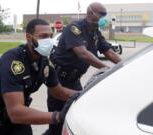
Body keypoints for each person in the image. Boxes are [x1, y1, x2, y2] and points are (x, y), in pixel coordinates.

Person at [0, 18, 79, 135]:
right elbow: (15, 112)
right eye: (43, 36)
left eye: (50, 36)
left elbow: (58, 91)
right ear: (29, 37)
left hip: (21, 116)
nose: (49, 41)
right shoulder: (13, 60)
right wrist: (58, 116)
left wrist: (82, 95)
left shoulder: (43, 61)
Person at [46, 2, 122, 135]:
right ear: (90, 13)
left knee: (74, 115)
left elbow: (109, 52)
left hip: (74, 80)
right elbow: (82, 53)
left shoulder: (95, 33)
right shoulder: (74, 28)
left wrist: (124, 66)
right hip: (59, 79)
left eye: (105, 14)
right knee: (58, 122)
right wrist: (107, 68)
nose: (105, 17)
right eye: (102, 14)